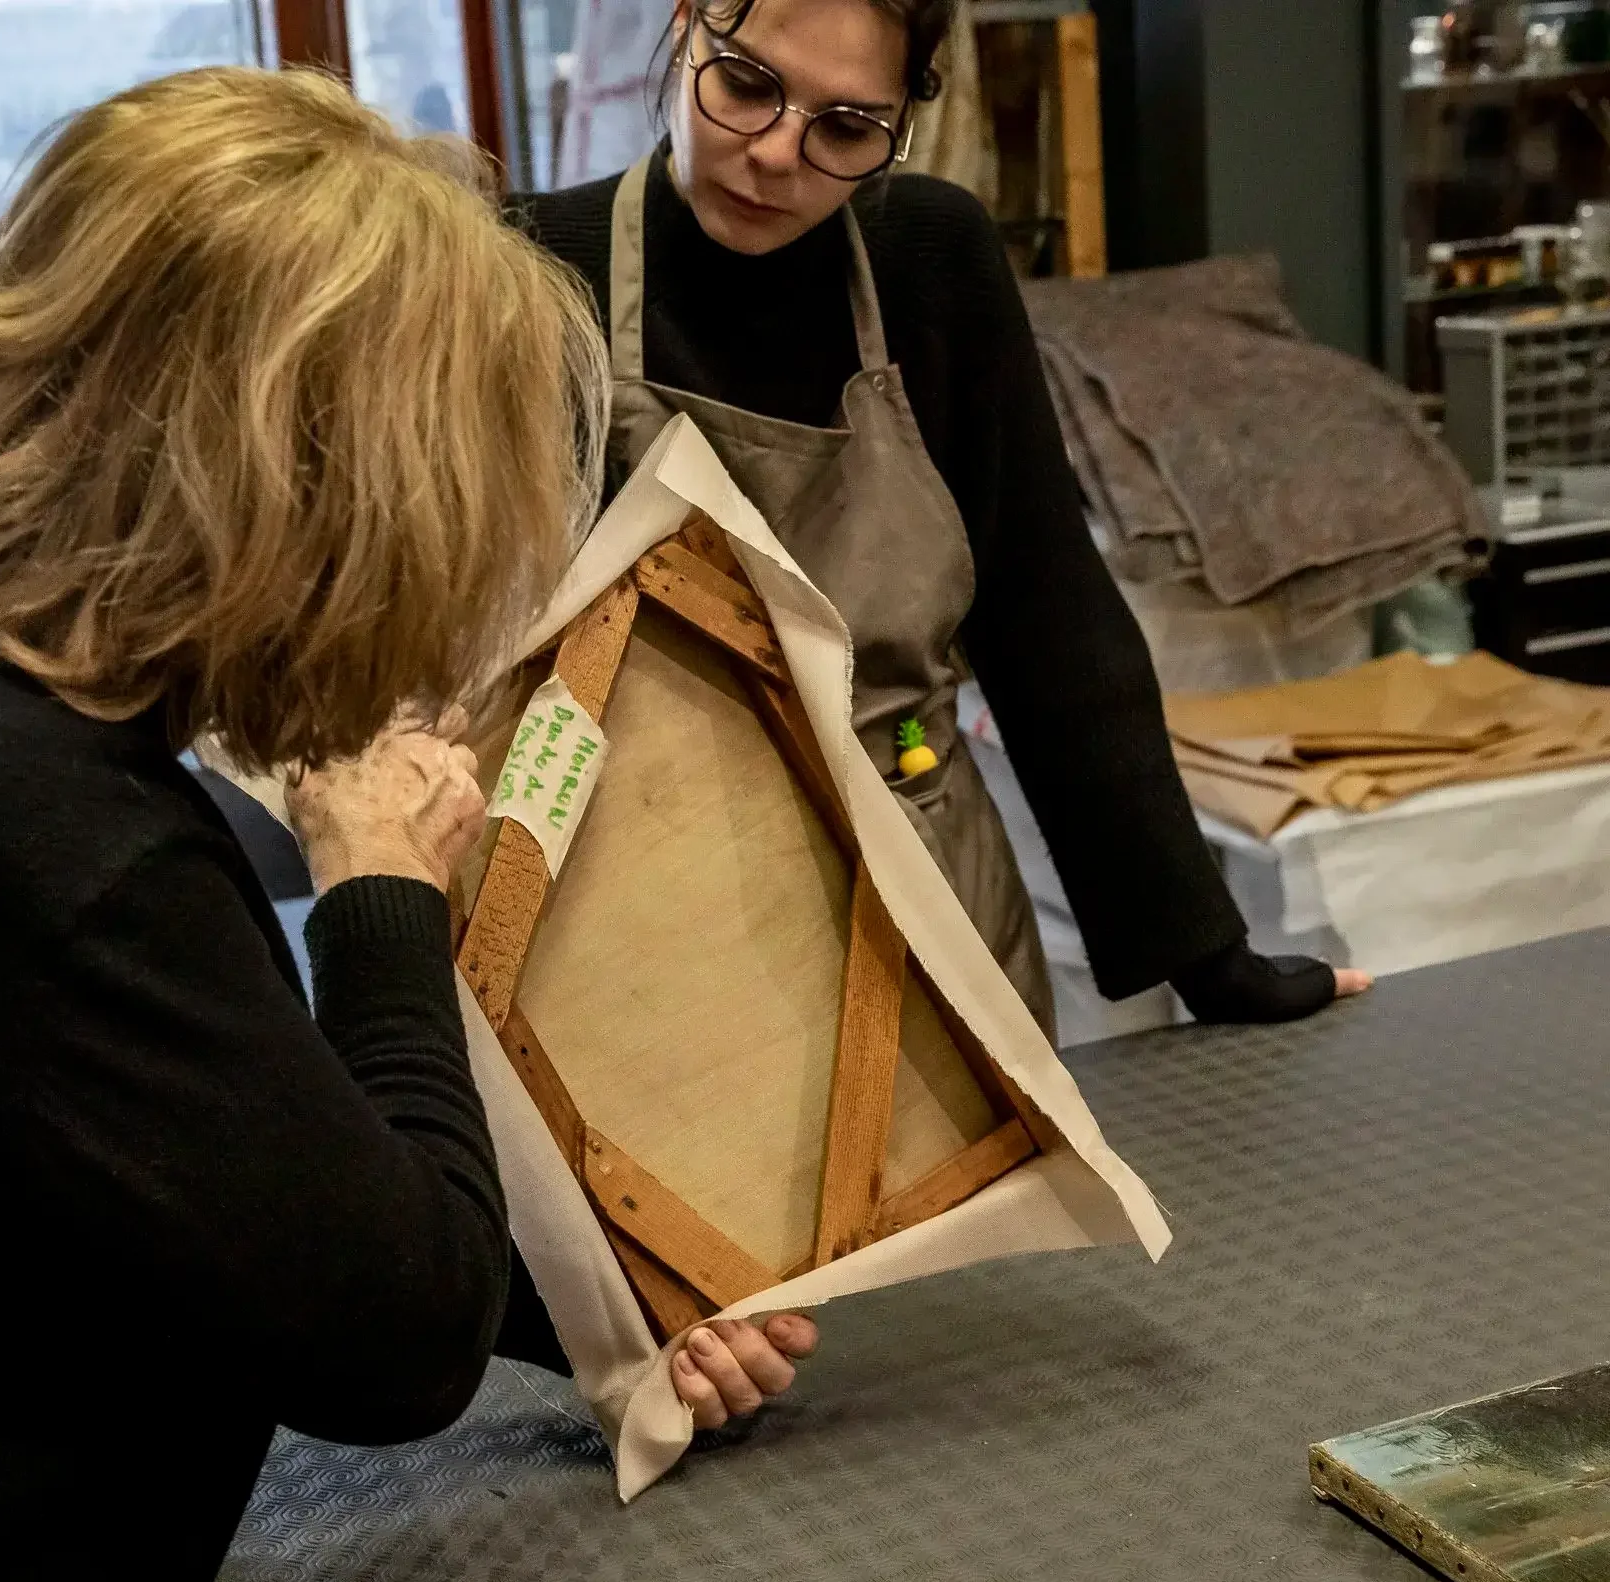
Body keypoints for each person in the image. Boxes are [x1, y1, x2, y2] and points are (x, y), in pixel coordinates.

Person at [0, 69, 800, 1582]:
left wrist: (596, 1295)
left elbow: (176, 1166)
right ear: (315, 498)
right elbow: (396, 1349)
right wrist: (383, 891)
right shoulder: (29, 832)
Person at [509, 0, 1373, 1031]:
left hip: (925, 894)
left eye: (845, 127)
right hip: (652, 916)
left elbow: (1046, 615)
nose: (777, 155)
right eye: (743, 85)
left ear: (905, 117)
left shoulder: (926, 258)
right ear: (687, 24)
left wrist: (1208, 957)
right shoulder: (537, 269)